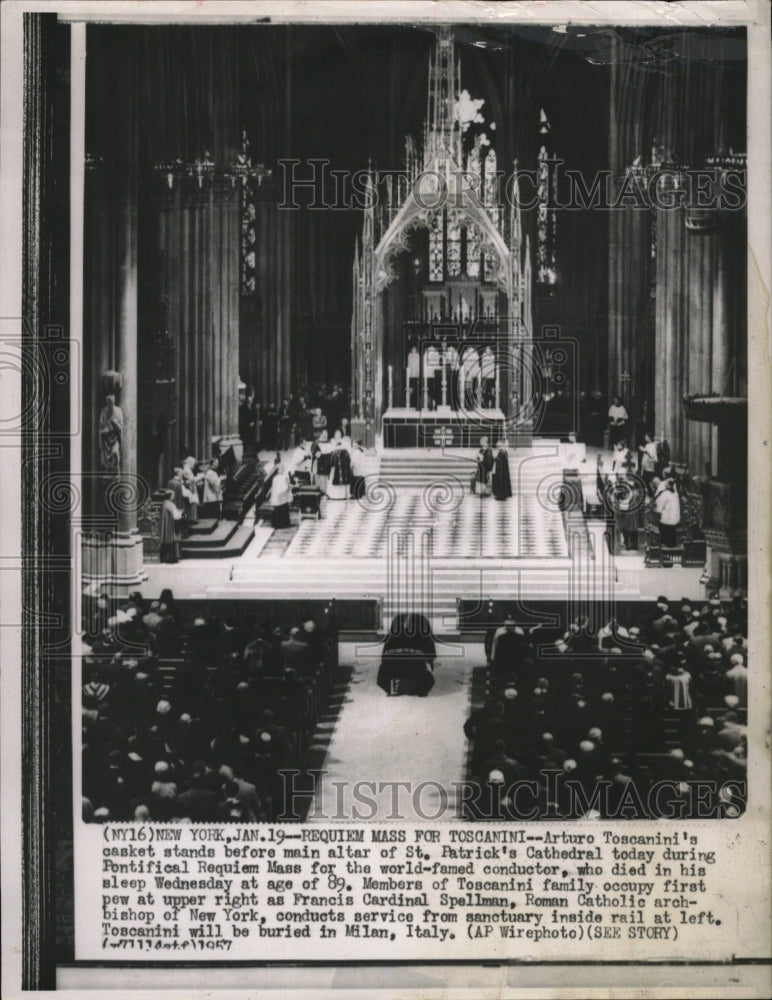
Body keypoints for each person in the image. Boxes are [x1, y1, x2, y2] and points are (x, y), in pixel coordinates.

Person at [377, 613, 436, 697]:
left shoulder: (394, 632)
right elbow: (431, 654)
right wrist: (429, 664)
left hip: (393, 666)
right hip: (416, 666)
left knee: (387, 670)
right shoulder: (423, 632)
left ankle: (394, 687)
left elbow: (384, 654)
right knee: (426, 676)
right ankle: (419, 690)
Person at [98, 394, 124, 473]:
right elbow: (100, 426)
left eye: (111, 402)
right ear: (107, 402)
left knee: (115, 453)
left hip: (115, 438)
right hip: (106, 440)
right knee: (106, 460)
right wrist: (107, 428)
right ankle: (107, 474)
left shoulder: (118, 410)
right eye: (108, 402)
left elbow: (122, 426)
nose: (110, 404)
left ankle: (117, 473)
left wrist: (116, 425)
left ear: (114, 401)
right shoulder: (104, 411)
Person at [326, 431, 352, 501]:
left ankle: (342, 495)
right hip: (335, 465)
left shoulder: (344, 442)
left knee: (342, 479)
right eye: (336, 435)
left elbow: (348, 451)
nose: (338, 436)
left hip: (343, 465)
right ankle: (333, 495)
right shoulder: (331, 442)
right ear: (334, 435)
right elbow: (329, 451)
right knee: (333, 477)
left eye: (339, 435)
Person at [656, 477, 681, 547]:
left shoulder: (665, 494)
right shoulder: (675, 495)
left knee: (664, 540)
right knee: (672, 540)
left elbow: (659, 508)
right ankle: (672, 552)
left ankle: (664, 553)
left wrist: (658, 510)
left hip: (666, 521)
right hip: (674, 521)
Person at [269, 464, 292, 529]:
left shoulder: (275, 478)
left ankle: (275, 523)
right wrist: (289, 486)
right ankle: (284, 523)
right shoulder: (284, 477)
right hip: (281, 498)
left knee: (277, 509)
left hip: (275, 498)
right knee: (284, 505)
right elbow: (286, 488)